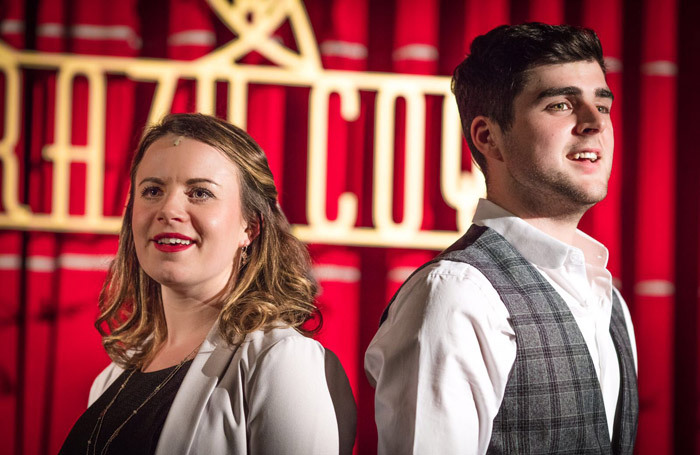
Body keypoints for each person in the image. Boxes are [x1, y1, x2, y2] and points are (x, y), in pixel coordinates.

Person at [365, 23, 638, 454]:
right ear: (488, 137)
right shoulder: (456, 294)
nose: (593, 124)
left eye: (602, 106)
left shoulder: (608, 296)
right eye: (562, 105)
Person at [60, 113, 356, 455]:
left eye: (200, 192)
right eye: (152, 190)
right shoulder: (111, 378)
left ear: (251, 227)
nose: (169, 209)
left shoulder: (282, 360)